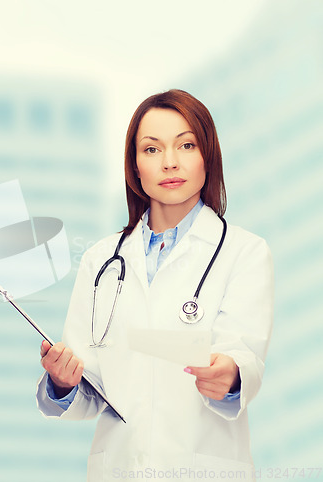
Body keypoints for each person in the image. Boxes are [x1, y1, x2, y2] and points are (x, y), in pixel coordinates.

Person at [36, 89, 274, 481]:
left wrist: (229, 376)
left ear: (207, 157)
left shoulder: (244, 252)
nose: (169, 162)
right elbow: (89, 391)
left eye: (186, 145)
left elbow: (244, 357)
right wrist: (62, 382)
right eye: (152, 149)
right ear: (135, 166)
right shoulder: (101, 261)